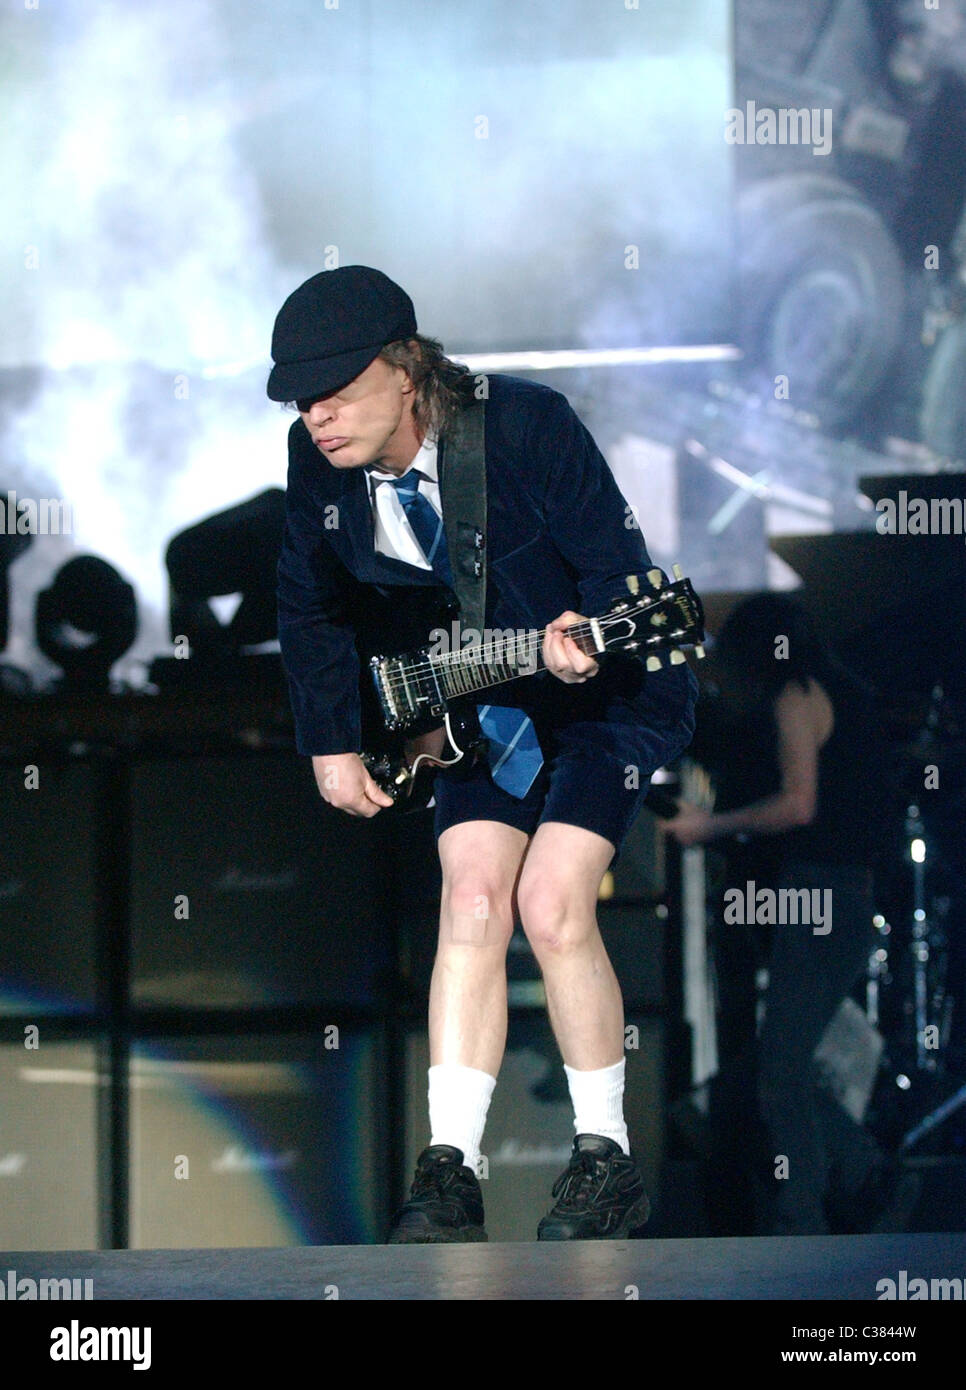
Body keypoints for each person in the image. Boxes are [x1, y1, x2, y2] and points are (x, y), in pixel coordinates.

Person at [268, 265, 697, 1242]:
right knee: (468, 898)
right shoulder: (314, 461)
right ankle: (450, 1173)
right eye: (301, 400)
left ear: (405, 369)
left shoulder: (527, 426)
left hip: (605, 699)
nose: (316, 416)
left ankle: (603, 1161)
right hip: (470, 709)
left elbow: (624, 585)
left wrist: (582, 639)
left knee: (549, 901)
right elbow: (310, 605)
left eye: (335, 390)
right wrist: (334, 743)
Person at [662, 593, 895, 1236]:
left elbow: (798, 806)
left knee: (780, 1071)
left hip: (821, 894)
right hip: (839, 894)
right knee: (779, 1065)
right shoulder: (840, 691)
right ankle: (859, 1171)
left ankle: (807, 1217)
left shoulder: (795, 695)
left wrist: (710, 825)